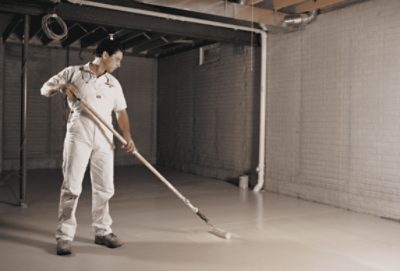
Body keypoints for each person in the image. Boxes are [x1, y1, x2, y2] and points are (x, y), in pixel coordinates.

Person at [41, 39, 135, 256]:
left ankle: (102, 232)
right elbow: (44, 89)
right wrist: (62, 86)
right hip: (79, 134)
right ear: (104, 54)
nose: (119, 64)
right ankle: (64, 236)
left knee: (105, 188)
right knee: (72, 186)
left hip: (104, 137)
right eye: (117, 59)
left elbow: (121, 112)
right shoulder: (73, 73)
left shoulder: (113, 84)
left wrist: (127, 136)